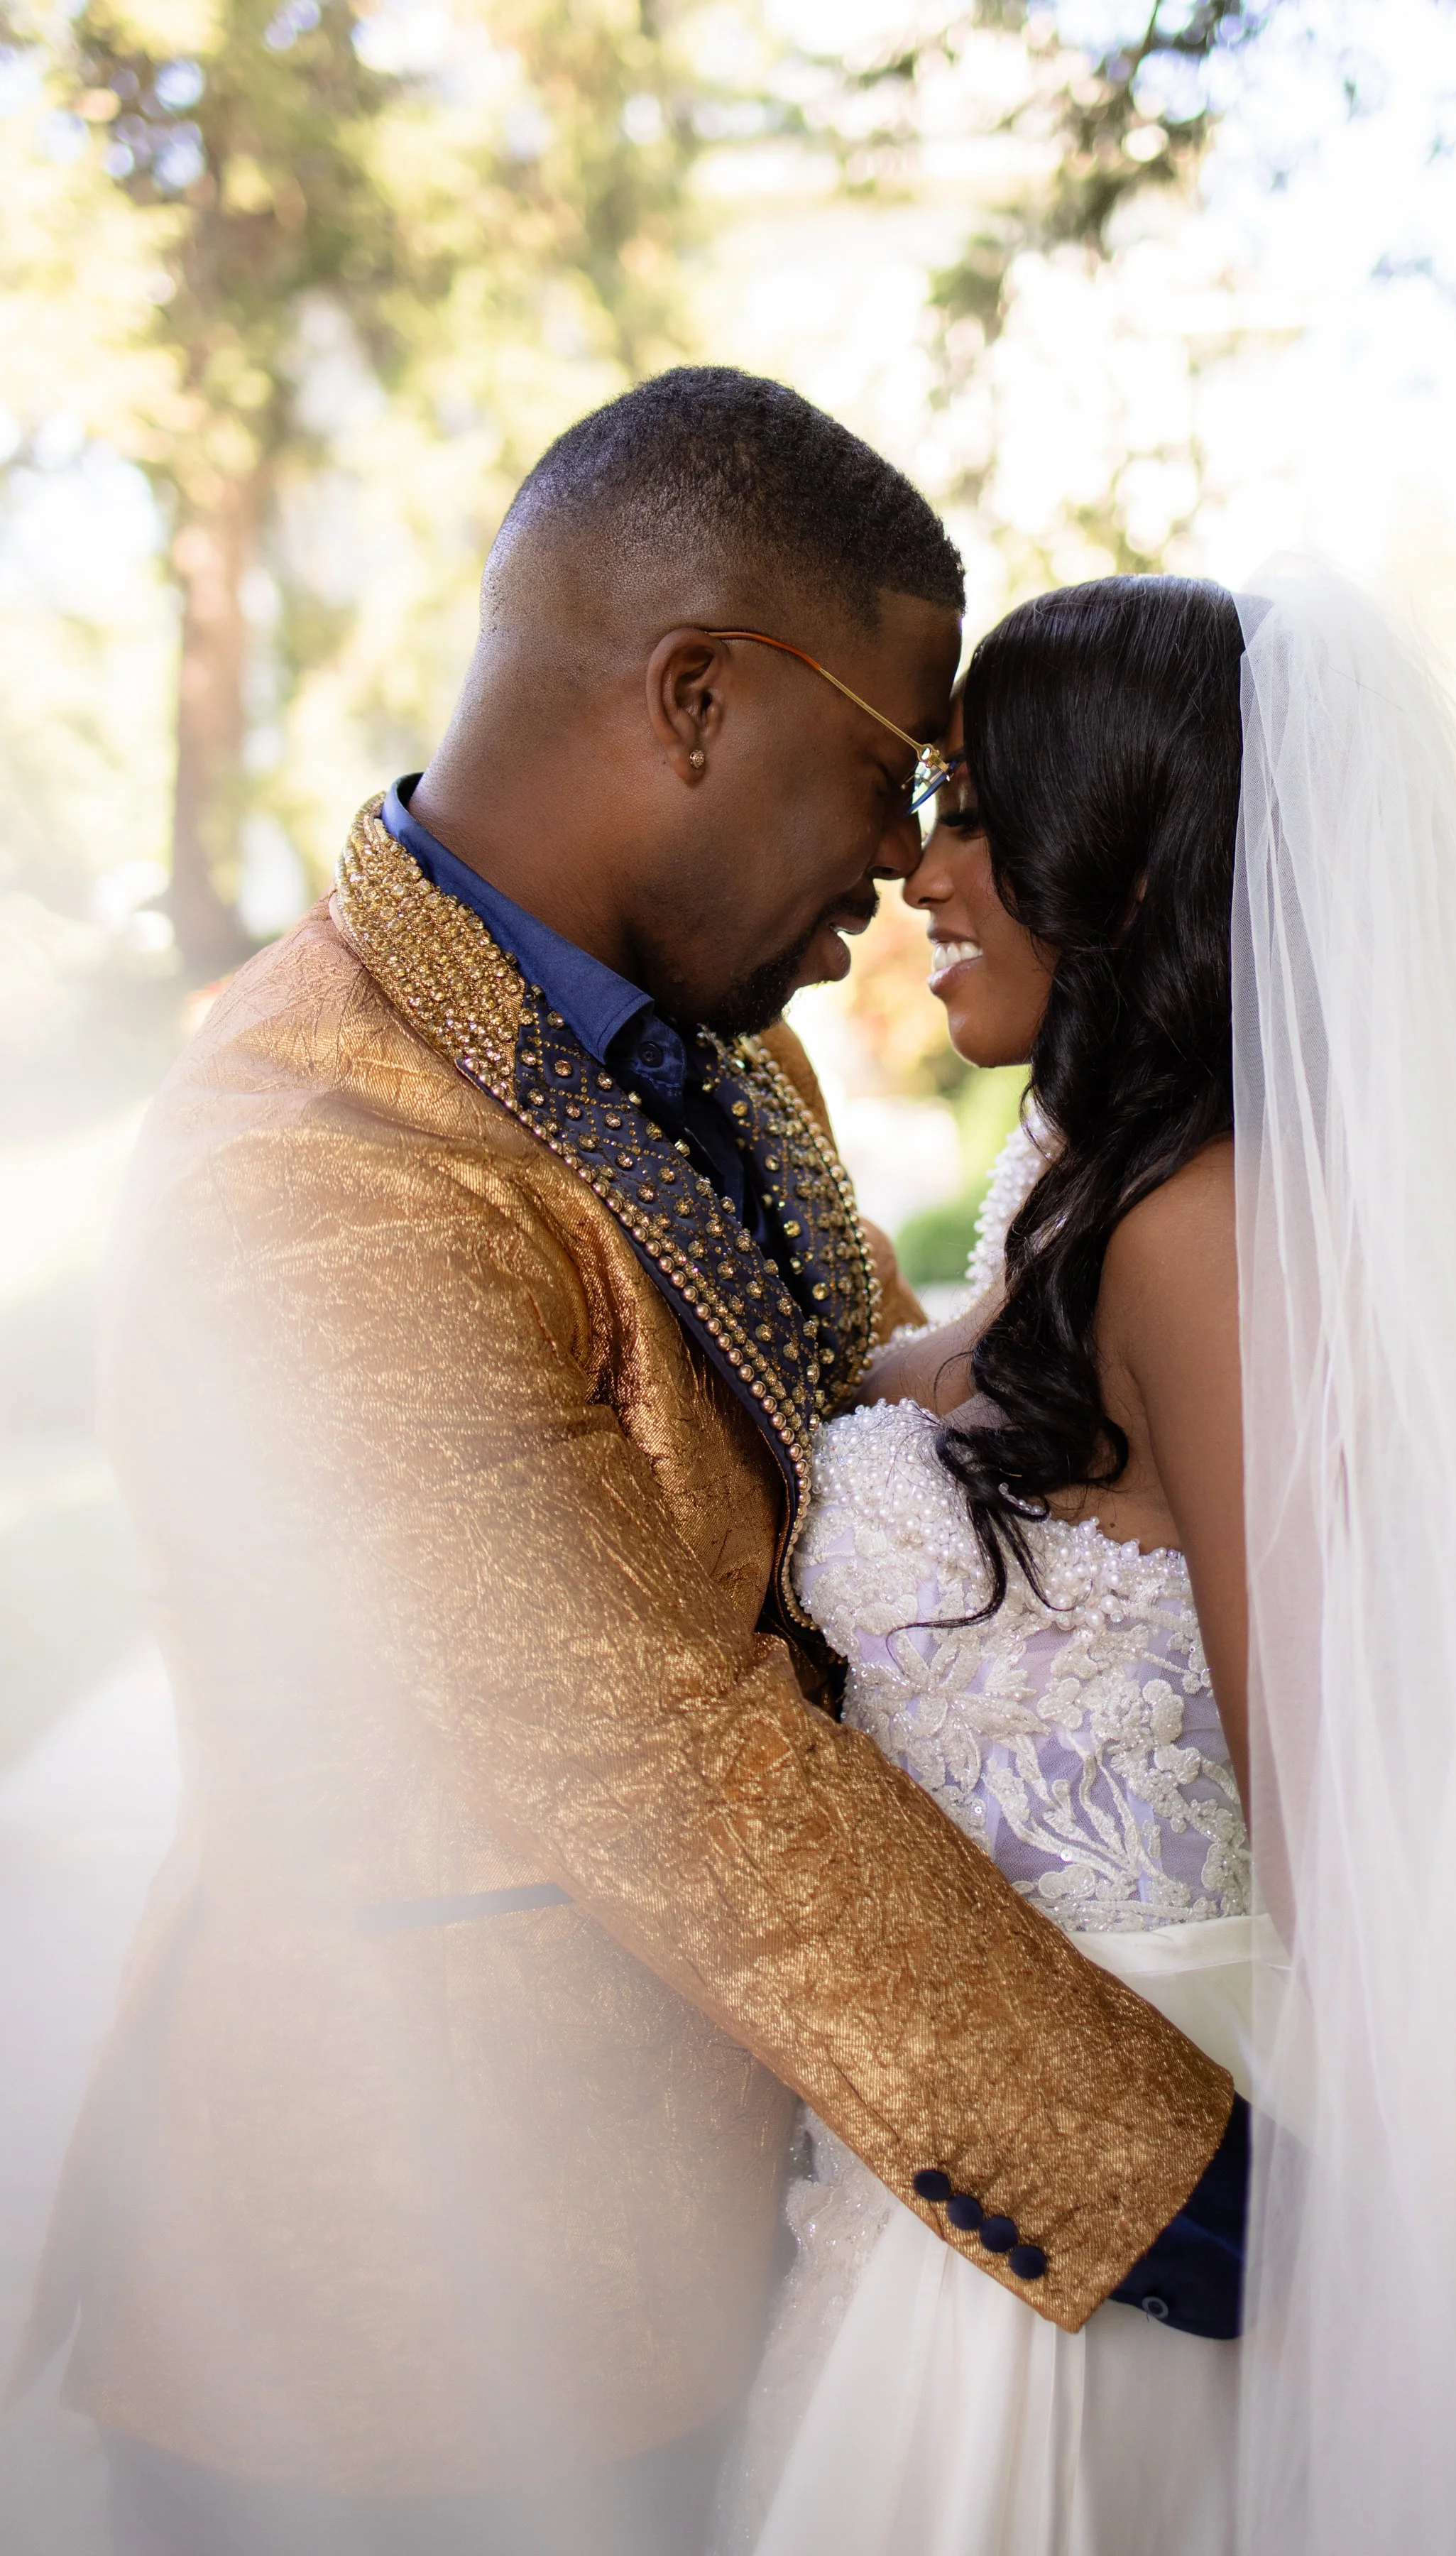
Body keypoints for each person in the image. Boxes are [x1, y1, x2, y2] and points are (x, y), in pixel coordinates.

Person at [13, 375, 1242, 2556]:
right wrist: (1179, 2174)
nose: (903, 853)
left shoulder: (725, 1037)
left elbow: (872, 1409)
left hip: (710, 2268)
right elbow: (666, 1749)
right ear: (693, 699)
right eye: (891, 770)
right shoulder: (316, 1172)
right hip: (399, 2352)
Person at [717, 564, 1456, 2555]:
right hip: (952, 2162)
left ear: (1136, 859)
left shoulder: (1199, 1231)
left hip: (1131, 2196)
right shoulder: (1079, 1182)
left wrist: (1368, 2344)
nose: (925, 868)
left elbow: (1344, 1836)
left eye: (985, 811)